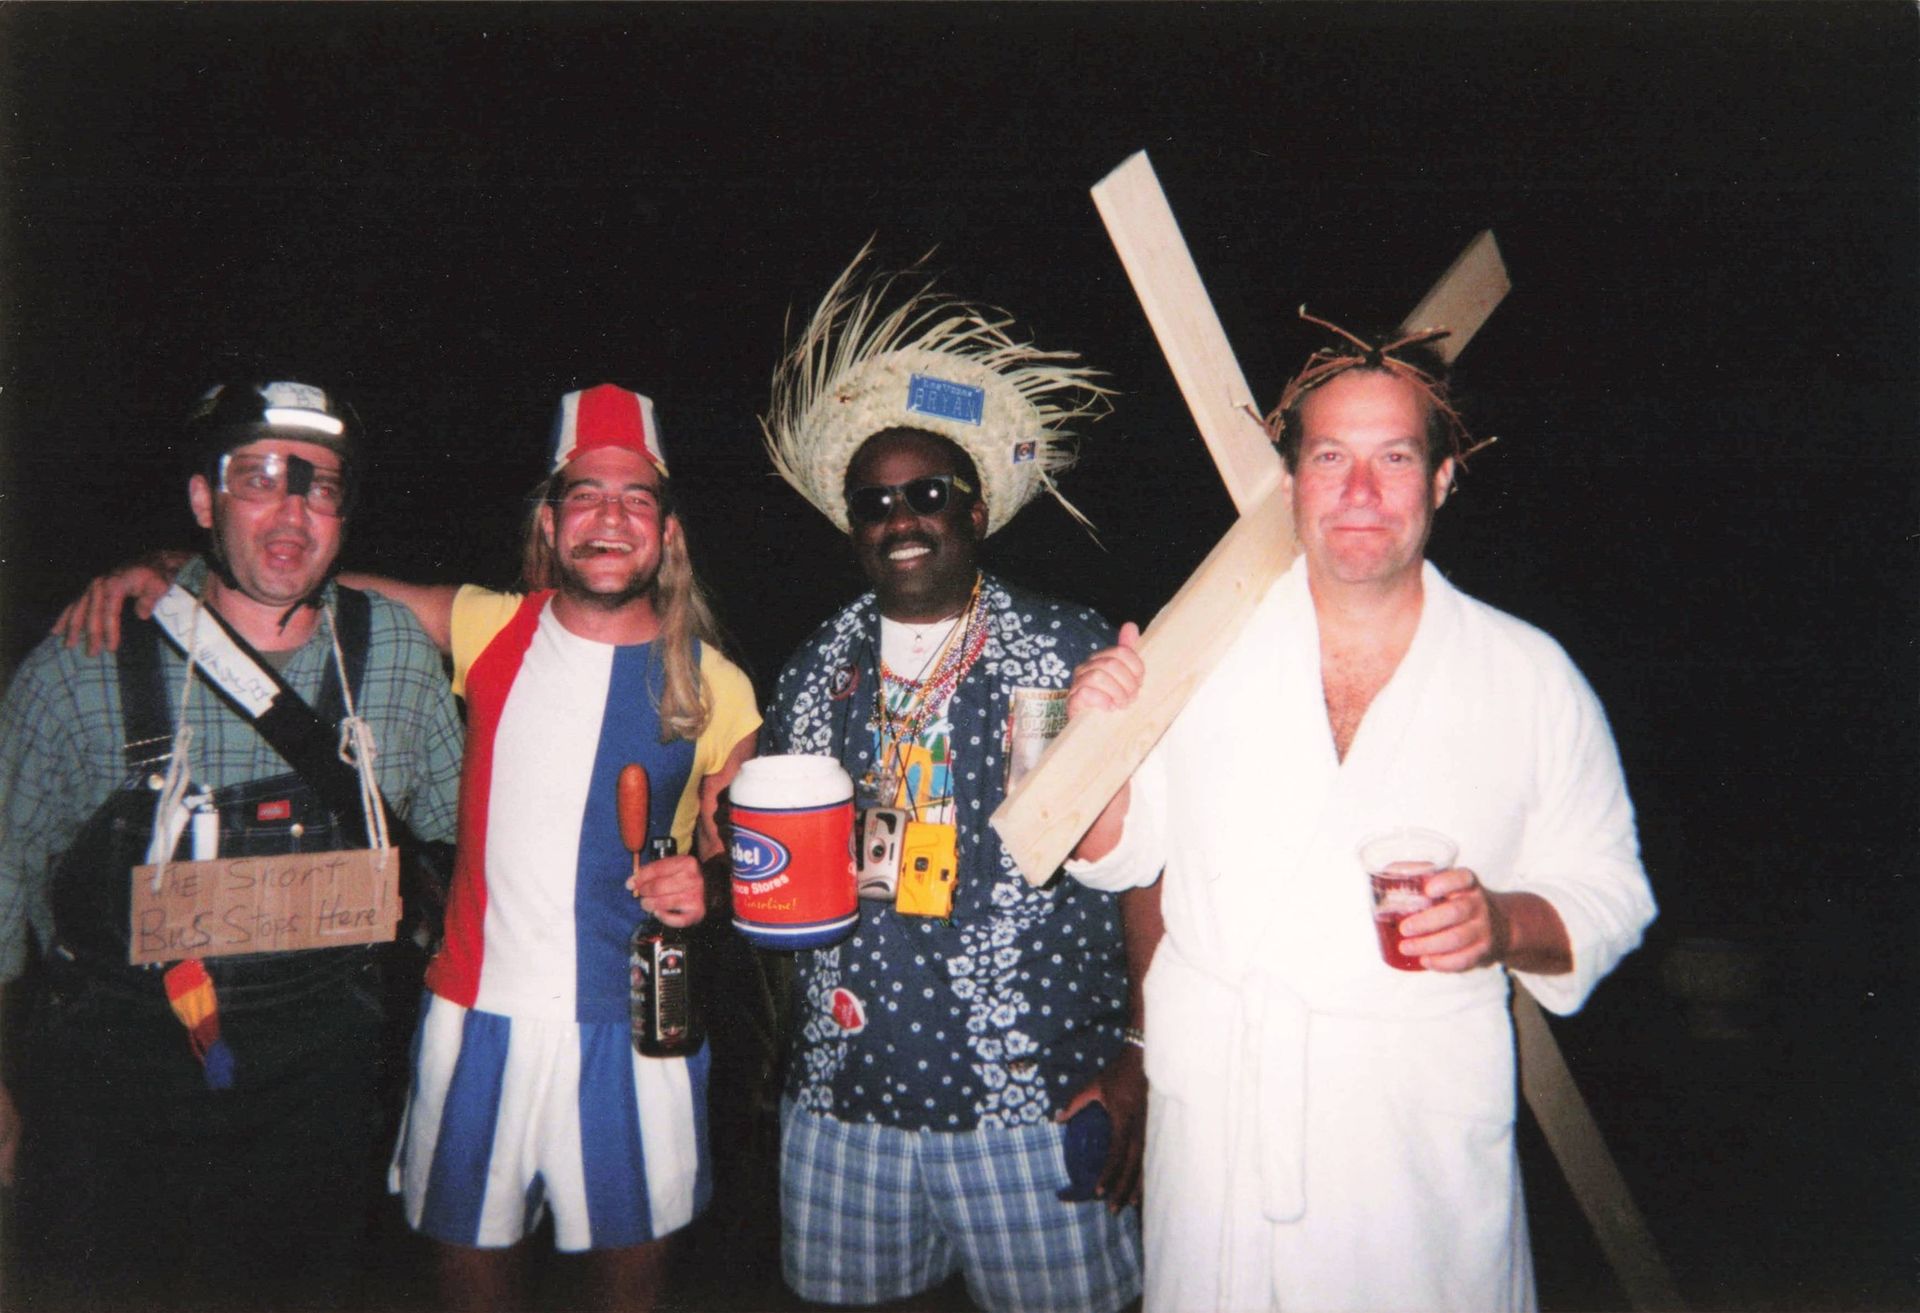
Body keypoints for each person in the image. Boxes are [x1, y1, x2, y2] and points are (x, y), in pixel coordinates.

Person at [50, 383, 762, 1313]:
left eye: (635, 499)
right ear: (549, 522)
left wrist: (708, 880)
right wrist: (172, 565)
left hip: (636, 1036)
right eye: (585, 493)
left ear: (667, 533)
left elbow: (748, 852)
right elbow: (294, 575)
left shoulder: (718, 684)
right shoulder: (489, 625)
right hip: (474, 1019)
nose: (610, 518)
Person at [1063, 319, 1658, 1312]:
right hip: (1225, 1130)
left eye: (1395, 457)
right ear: (1291, 479)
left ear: (1443, 479)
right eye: (1331, 456)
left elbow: (1612, 895)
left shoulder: (1528, 676)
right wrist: (1099, 736)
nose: (1360, 490)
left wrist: (1501, 921)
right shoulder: (1201, 646)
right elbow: (1114, 851)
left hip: (1410, 1143)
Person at [0, 377, 466, 1311]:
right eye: (258, 477)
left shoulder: (398, 662)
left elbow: (474, 854)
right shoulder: (86, 663)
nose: (293, 510)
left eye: (322, 485)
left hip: (320, 1102)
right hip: (113, 1096)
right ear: (205, 500)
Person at [755, 249, 1155, 1313]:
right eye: (874, 500)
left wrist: (1141, 1058)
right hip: (843, 1101)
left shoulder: (1072, 656)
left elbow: (1156, 868)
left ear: (975, 509)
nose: (900, 518)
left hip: (1035, 1100)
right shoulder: (812, 669)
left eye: (927, 492)